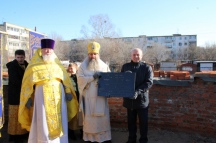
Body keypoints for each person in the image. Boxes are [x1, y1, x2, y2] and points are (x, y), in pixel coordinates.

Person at [18, 38, 79, 143]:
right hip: (41, 96)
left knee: (60, 117)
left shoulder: (57, 64)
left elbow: (65, 80)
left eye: (49, 49)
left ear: (53, 50)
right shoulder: (33, 65)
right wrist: (28, 97)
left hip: (58, 96)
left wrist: (68, 91)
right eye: (45, 49)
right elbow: (27, 83)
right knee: (43, 119)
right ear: (41, 50)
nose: (47, 51)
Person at [77, 41, 112, 143]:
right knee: (89, 119)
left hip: (101, 96)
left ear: (98, 54)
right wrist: (92, 77)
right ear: (88, 54)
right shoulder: (83, 66)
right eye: (91, 54)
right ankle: (90, 139)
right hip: (88, 97)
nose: (93, 56)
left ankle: (104, 138)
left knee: (102, 118)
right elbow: (80, 79)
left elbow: (109, 79)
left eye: (95, 54)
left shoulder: (104, 66)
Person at [121, 48, 153, 143]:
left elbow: (149, 82)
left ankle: (143, 140)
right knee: (131, 122)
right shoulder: (125, 67)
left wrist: (137, 91)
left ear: (141, 55)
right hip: (129, 100)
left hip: (142, 101)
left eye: (138, 54)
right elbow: (121, 80)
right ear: (131, 56)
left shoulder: (147, 67)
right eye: (134, 54)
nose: (136, 56)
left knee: (143, 122)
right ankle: (131, 139)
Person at [6, 49, 29, 143]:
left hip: (25, 94)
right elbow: (15, 80)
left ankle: (22, 133)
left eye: (21, 57)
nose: (20, 59)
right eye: (18, 57)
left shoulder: (28, 65)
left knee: (23, 114)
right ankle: (13, 135)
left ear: (24, 57)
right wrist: (26, 86)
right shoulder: (12, 66)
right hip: (15, 94)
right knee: (14, 116)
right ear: (15, 57)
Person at [67, 62, 83, 140]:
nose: (71, 69)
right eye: (70, 68)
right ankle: (71, 133)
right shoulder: (66, 77)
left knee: (81, 116)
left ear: (76, 68)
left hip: (79, 97)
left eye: (72, 68)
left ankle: (82, 132)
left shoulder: (79, 76)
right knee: (72, 116)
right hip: (71, 99)